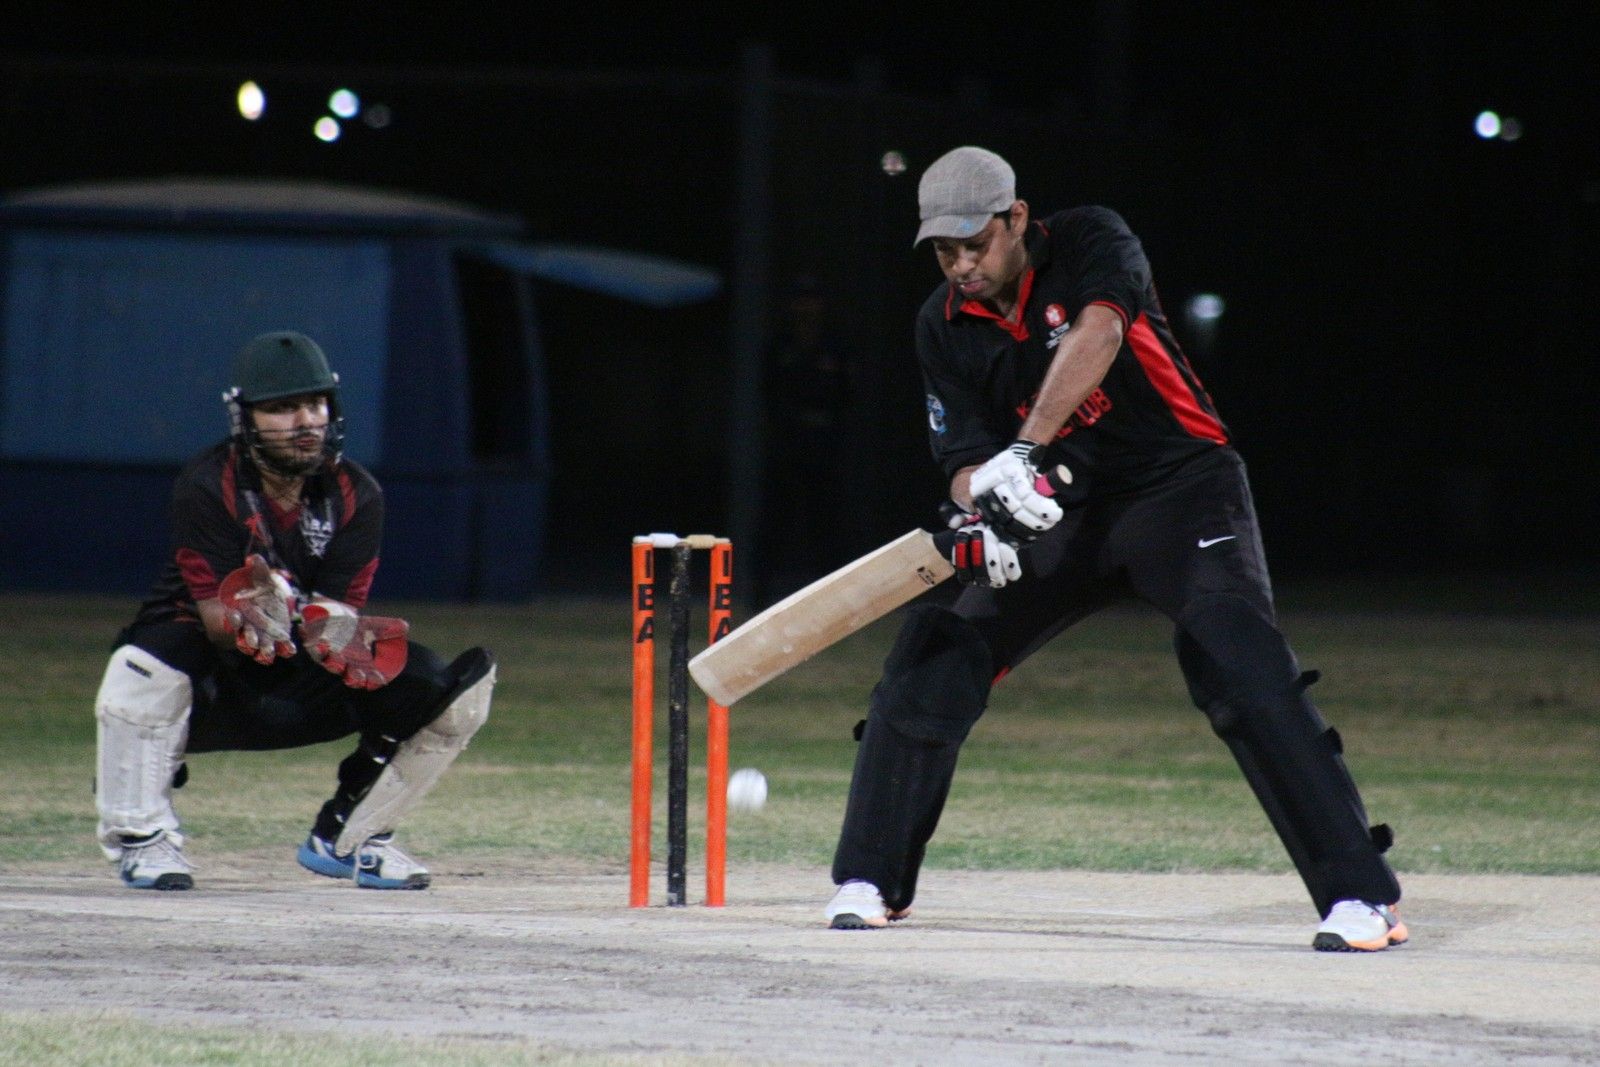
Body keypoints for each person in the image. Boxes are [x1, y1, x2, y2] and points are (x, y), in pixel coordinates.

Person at [822, 147, 1406, 952]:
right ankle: (871, 880)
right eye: (944, 251)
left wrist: (1020, 452)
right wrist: (987, 499)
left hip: (1177, 487)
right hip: (1055, 516)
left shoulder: (1093, 239)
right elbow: (960, 458)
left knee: (1236, 657)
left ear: (1016, 219)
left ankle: (1360, 896)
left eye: (976, 244)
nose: (961, 266)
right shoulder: (940, 324)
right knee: (937, 649)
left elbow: (1098, 333)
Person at [94, 331, 495, 891]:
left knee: (444, 690)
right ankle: (142, 836)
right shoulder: (208, 484)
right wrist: (257, 613)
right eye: (282, 408)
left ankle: (351, 837)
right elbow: (213, 619)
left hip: (295, 669)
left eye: (314, 403)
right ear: (245, 418)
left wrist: (329, 629)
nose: (305, 421)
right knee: (144, 663)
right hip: (211, 674)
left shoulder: (357, 493)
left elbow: (336, 612)